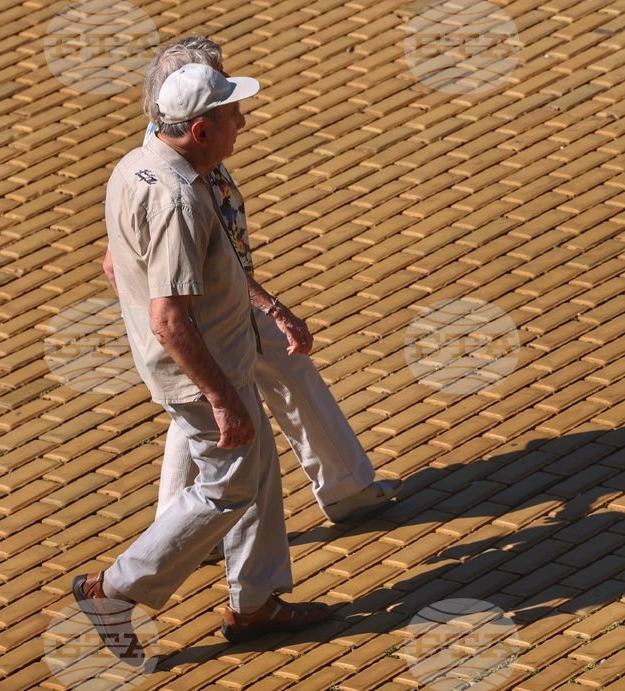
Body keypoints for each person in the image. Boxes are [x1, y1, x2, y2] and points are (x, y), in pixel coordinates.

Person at [75, 64, 331, 658]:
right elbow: (169, 318)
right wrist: (220, 396)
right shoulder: (179, 202)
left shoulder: (134, 167)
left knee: (259, 474)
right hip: (201, 375)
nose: (242, 121)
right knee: (225, 490)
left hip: (221, 359)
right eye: (231, 115)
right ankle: (112, 588)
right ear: (199, 129)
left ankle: (255, 604)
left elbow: (117, 266)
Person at [103, 37, 399, 528]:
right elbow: (123, 266)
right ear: (196, 113)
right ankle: (184, 529)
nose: (238, 114)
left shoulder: (181, 147)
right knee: (208, 401)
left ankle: (343, 485)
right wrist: (188, 326)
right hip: (208, 311)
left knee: (227, 393)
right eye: (223, 95)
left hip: (217, 302)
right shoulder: (172, 172)